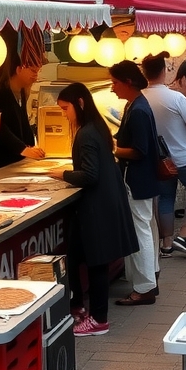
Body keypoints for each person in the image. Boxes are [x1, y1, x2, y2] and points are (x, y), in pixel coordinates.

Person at [48, 83, 138, 335]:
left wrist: (63, 174)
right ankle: (77, 305)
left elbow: (90, 175)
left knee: (97, 262)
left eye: (66, 109)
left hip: (97, 207)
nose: (64, 115)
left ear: (79, 103)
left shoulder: (87, 133)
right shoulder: (96, 128)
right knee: (76, 255)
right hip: (102, 203)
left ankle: (99, 319)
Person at [141, 53, 186, 259]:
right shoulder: (175, 97)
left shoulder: (141, 97)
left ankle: (167, 244)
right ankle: (185, 234)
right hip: (184, 156)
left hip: (161, 160)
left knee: (166, 198)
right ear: (164, 71)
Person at [109, 61, 160, 307]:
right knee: (144, 228)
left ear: (127, 82)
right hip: (141, 178)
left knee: (141, 231)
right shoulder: (136, 104)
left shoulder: (138, 109)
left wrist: (114, 149)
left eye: (115, 82)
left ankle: (144, 287)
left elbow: (139, 150)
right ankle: (148, 278)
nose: (112, 88)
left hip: (137, 179)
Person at [0, 47, 46, 171]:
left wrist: (31, 147)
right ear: (19, 69)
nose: (36, 76)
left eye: (38, 71)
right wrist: (23, 149)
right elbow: (1, 129)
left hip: (16, 162)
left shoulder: (22, 93)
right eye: (32, 71)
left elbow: (24, 123)